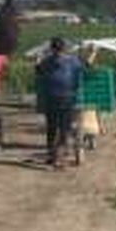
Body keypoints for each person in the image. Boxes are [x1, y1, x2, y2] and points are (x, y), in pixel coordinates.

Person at [36, 37, 83, 167]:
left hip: (60, 99)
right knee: (58, 128)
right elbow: (82, 71)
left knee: (58, 128)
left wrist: (39, 58)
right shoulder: (72, 61)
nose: (58, 53)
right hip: (61, 99)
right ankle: (55, 156)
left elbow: (38, 71)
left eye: (58, 49)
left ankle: (57, 156)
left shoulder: (49, 61)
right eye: (57, 49)